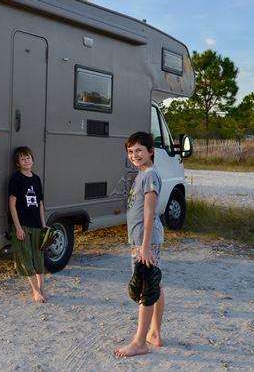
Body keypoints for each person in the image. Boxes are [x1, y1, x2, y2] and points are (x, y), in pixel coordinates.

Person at [114, 131, 165, 357]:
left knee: (146, 288)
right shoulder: (142, 173)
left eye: (139, 151)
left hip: (146, 241)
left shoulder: (150, 176)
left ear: (150, 151)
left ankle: (140, 342)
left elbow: (149, 214)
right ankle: (154, 333)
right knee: (155, 284)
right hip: (143, 240)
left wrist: (144, 246)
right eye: (130, 151)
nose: (134, 155)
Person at [8, 146, 48, 303]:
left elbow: (40, 204)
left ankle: (43, 289)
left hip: (37, 225)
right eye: (22, 159)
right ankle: (36, 291)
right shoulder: (16, 179)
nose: (26, 160)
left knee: (38, 257)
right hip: (22, 225)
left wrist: (44, 225)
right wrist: (17, 227)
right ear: (18, 163)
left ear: (33, 160)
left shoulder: (36, 179)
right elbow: (12, 205)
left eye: (28, 158)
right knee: (26, 258)